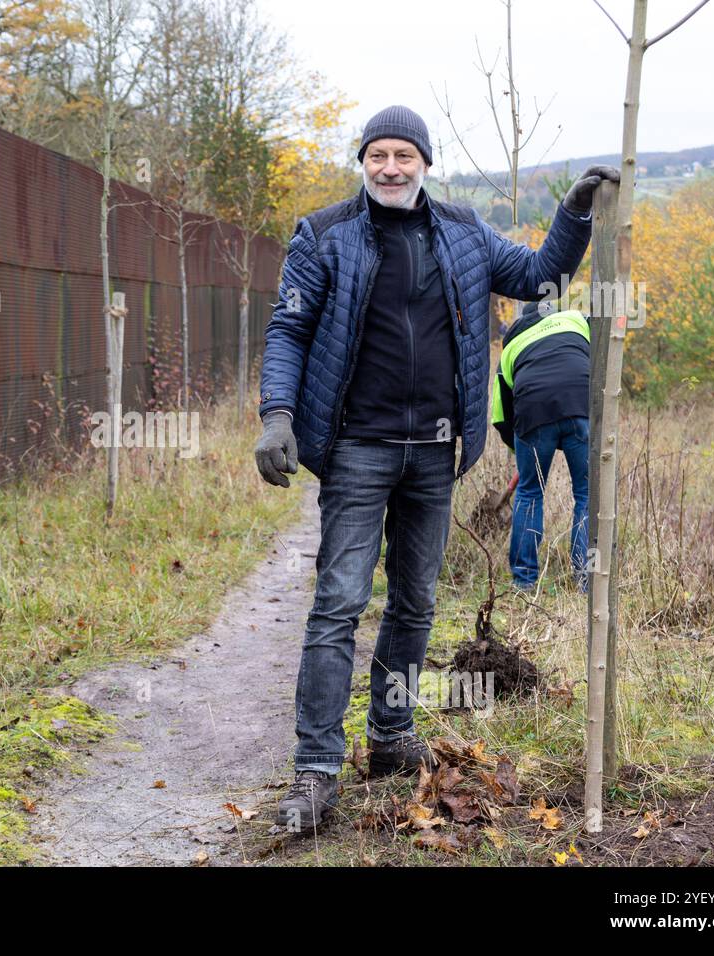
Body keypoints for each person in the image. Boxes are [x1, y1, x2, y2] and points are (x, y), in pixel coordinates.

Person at [253, 103, 617, 831]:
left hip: (434, 456)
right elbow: (289, 329)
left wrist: (572, 213)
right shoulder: (323, 235)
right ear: (364, 161)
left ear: (424, 161)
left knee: (416, 605)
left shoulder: (463, 232)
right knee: (339, 604)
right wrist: (276, 415)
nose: (390, 168)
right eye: (378, 155)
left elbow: (542, 277)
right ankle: (317, 771)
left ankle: (389, 740)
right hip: (356, 448)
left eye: (403, 156)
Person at [490, 299, 592, 592]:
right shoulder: (576, 320)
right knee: (587, 494)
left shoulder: (510, 348)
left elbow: (500, 414)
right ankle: (586, 580)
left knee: (530, 493)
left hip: (532, 416)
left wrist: (519, 450)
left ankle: (524, 581)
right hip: (581, 406)